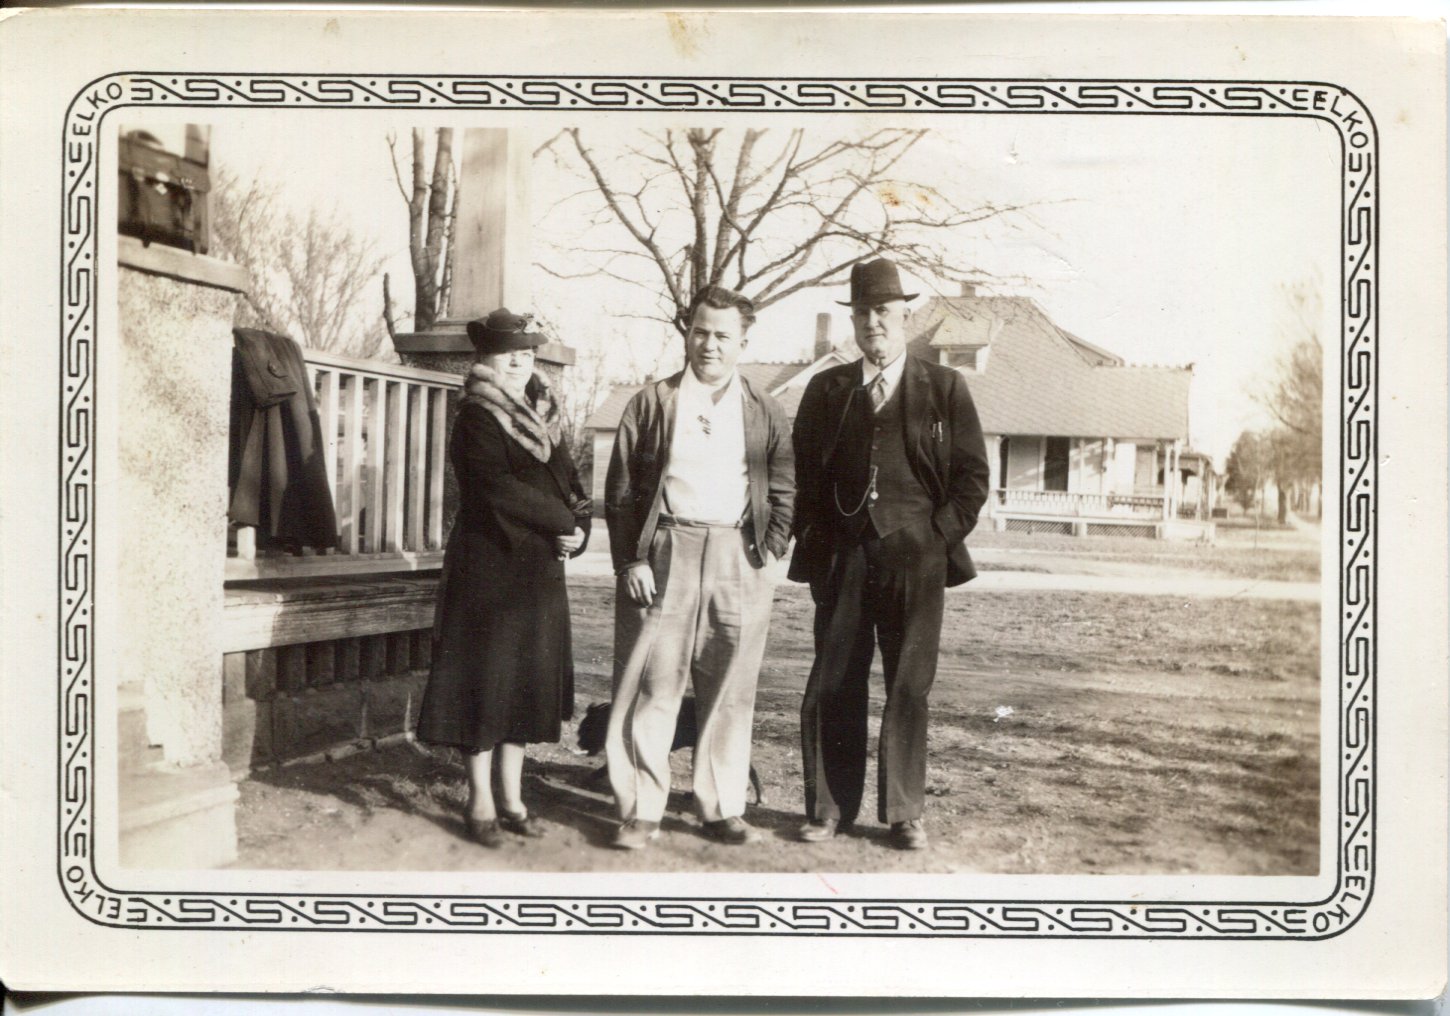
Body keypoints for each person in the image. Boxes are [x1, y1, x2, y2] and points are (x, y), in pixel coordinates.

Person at [789, 258, 991, 850]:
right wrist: (815, 540)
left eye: (883, 310)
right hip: (843, 560)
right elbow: (801, 476)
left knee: (908, 686)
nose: (872, 322)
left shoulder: (944, 388)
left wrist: (937, 537)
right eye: (862, 312)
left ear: (905, 315)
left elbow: (973, 478)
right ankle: (828, 808)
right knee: (834, 681)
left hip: (916, 562)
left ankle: (905, 813)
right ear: (852, 320)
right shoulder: (827, 389)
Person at [604, 285, 794, 850]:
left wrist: (770, 549)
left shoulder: (764, 408)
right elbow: (620, 490)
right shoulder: (652, 402)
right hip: (665, 549)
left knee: (730, 686)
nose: (710, 345)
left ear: (743, 343)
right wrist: (632, 558)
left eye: (723, 336)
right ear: (687, 333)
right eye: (700, 332)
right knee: (652, 681)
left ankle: (721, 807)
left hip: (740, 552)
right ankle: (641, 810)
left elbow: (784, 486)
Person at [415, 308, 591, 848]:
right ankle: (480, 801)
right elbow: (493, 489)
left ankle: (513, 800)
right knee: (486, 683)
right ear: (485, 358)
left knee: (525, 686)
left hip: (539, 571)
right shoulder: (477, 414)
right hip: (489, 568)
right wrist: (561, 521)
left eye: (527, 352)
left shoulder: (544, 412)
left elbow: (571, 481)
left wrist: (580, 528)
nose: (519, 362)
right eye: (507, 353)